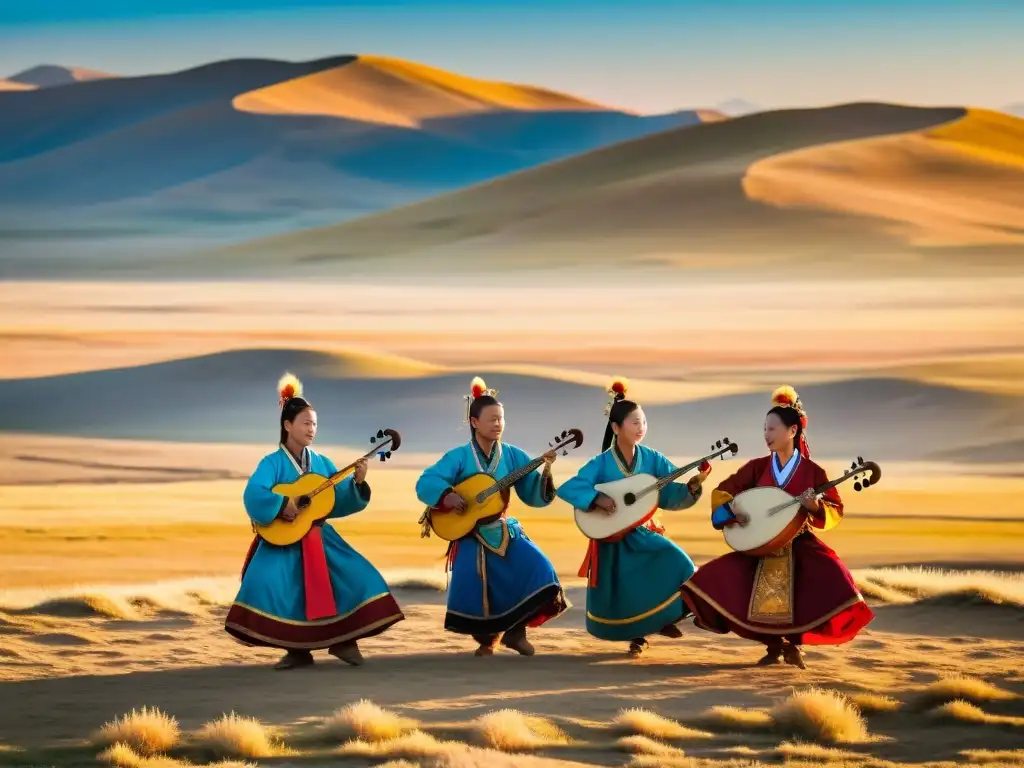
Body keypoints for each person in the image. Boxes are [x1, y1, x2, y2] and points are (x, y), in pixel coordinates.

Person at [680, 386, 874, 669]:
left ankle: (793, 646)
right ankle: (774, 646)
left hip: (798, 543)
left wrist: (814, 508)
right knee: (716, 582)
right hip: (759, 546)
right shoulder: (757, 467)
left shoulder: (813, 472)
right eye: (764, 429)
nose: (766, 435)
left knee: (824, 583)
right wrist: (732, 510)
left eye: (772, 429)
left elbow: (835, 508)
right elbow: (724, 491)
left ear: (792, 431)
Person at [225, 373, 404, 670]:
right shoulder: (272, 463)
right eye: (306, 423)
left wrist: (357, 483)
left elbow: (336, 500)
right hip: (282, 540)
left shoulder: (321, 463)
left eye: (315, 424)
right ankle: (297, 651)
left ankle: (344, 640)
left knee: (358, 576)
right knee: (271, 587)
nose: (312, 429)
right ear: (287, 425)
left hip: (320, 538)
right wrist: (283, 505)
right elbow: (253, 494)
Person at [415, 376, 570, 656]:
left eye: (501, 419)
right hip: (470, 532)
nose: (498, 424)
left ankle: (516, 632)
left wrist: (545, 472)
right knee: (477, 588)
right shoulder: (459, 456)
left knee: (537, 568)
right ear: (474, 422)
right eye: (492, 419)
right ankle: (488, 641)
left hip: (503, 529)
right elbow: (426, 481)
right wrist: (447, 496)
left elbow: (532, 491)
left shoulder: (512, 455)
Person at [556, 378, 710, 657]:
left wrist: (692, 486)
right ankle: (639, 637)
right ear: (616, 428)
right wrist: (596, 499)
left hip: (642, 533)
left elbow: (670, 490)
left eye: (643, 422)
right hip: (612, 538)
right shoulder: (601, 463)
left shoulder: (652, 458)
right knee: (628, 593)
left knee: (677, 561)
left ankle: (665, 618)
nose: (641, 429)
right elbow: (568, 488)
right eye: (635, 423)